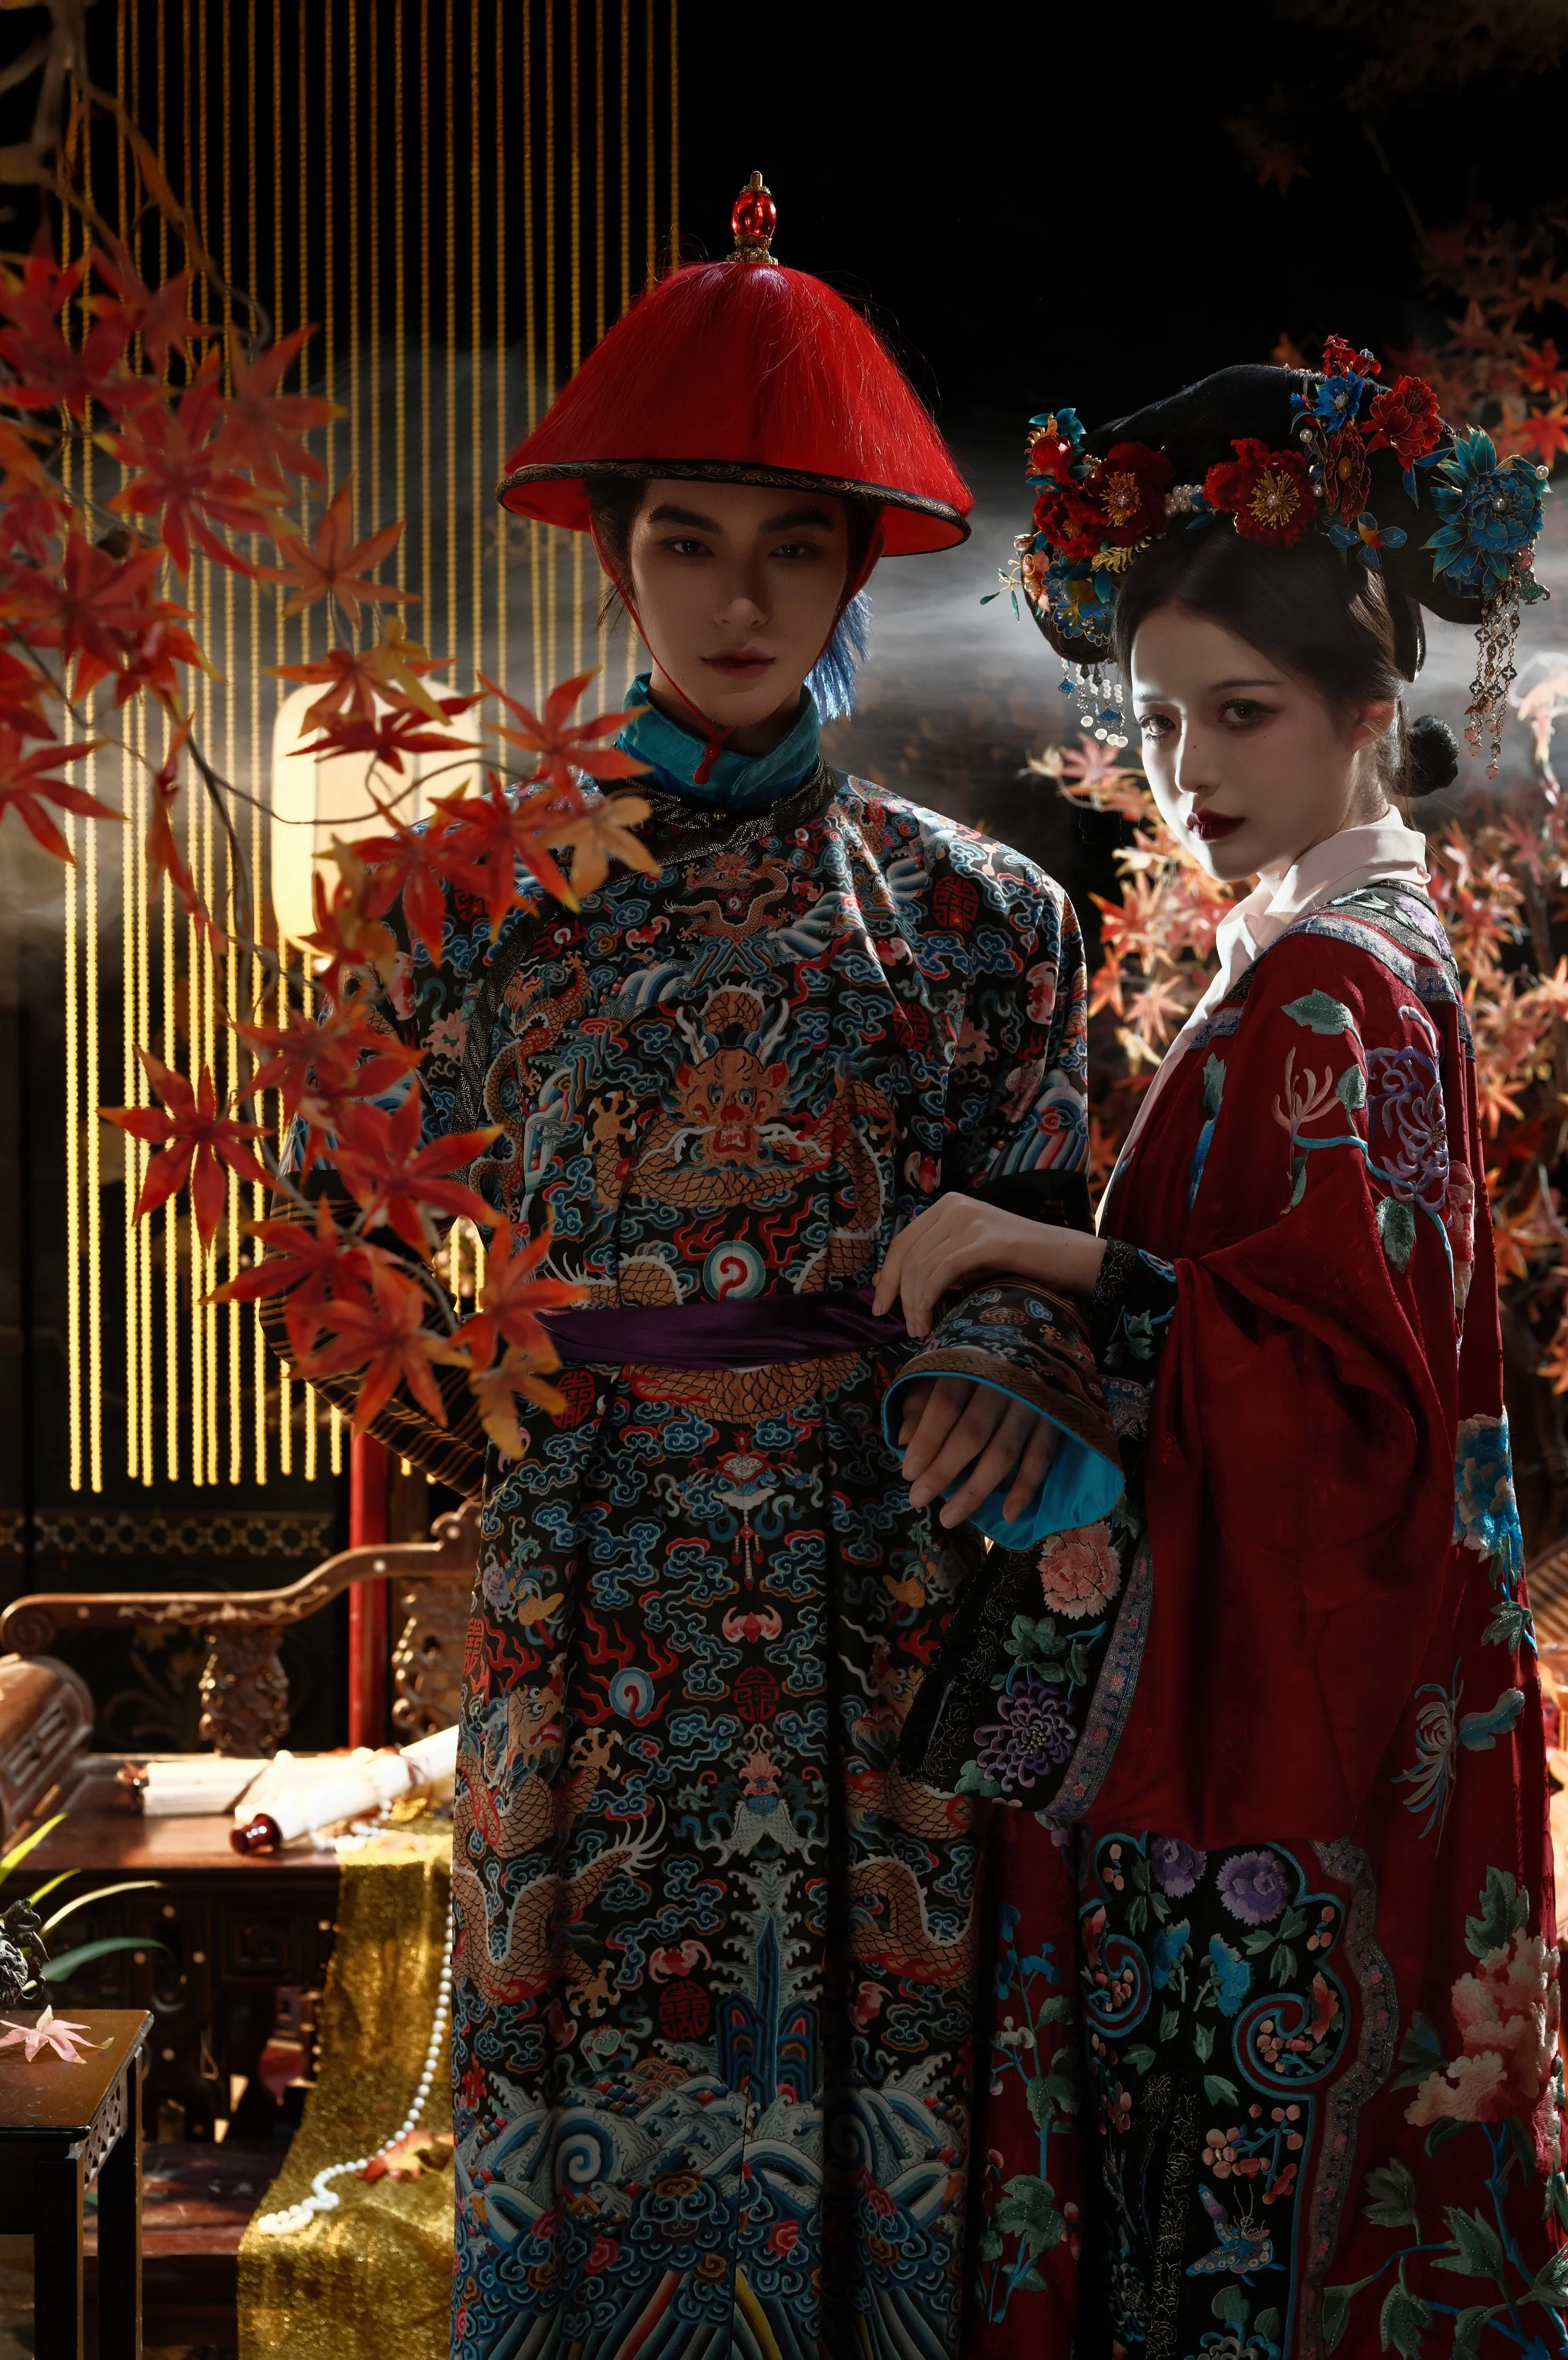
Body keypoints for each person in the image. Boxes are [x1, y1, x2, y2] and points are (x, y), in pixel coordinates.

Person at [270, 181, 1101, 2357]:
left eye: (789, 544)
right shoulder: (457, 894)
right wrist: (474, 1390)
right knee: (580, 2088)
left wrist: (999, 1363)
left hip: (879, 1574)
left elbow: (1047, 1210)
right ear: (615, 548)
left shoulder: (976, 918)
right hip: (588, 1579)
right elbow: (314, 1210)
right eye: (688, 540)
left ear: (849, 569)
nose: (738, 596)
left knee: (876, 2085)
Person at [878, 348, 1568, 2357]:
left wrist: (1051, 1256)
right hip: (1369, 1695)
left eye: (1242, 715)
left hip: (1304, 1741)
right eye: (1164, 716)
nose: (1189, 765)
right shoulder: (1342, 957)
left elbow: (1345, 1407)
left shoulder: (1331, 996)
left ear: (1373, 715)